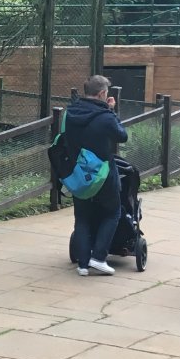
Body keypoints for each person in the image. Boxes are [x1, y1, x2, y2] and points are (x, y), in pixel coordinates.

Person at [63, 75, 129, 276]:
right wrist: (111, 111)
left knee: (82, 217)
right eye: (106, 93)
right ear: (102, 94)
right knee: (113, 212)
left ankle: (83, 265)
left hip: (78, 173)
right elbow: (122, 136)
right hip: (102, 174)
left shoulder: (70, 113)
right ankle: (99, 257)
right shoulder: (105, 117)